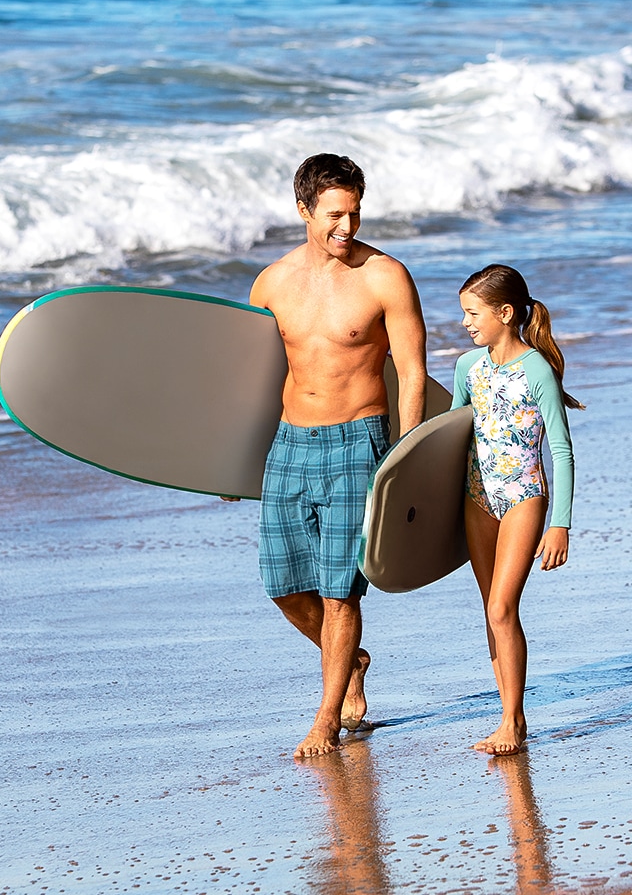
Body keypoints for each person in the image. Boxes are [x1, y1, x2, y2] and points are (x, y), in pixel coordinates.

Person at [247, 153, 428, 759]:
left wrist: (405, 464)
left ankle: (327, 718)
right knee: (282, 585)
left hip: (360, 440)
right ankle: (350, 660)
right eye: (333, 215)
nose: (346, 227)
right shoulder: (271, 283)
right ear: (303, 210)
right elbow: (252, 376)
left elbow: (412, 372)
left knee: (338, 593)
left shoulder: (385, 277)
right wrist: (228, 459)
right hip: (290, 444)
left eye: (354, 212)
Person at [453, 263, 583, 756]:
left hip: (523, 496)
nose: (466, 323)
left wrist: (561, 524)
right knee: (492, 613)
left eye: (473, 313)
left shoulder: (536, 371)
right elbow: (449, 439)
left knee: (503, 607)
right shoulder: (469, 368)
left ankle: (513, 720)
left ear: (505, 313)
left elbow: (563, 451)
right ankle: (505, 714)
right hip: (476, 498)